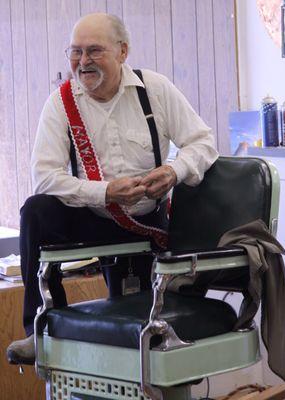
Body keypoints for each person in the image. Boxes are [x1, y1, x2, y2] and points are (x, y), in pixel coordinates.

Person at [7, 12, 218, 365]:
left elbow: (203, 143)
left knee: (138, 349)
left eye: (93, 51)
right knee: (35, 210)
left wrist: (173, 171)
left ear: (123, 52)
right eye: (75, 52)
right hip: (90, 216)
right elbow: (45, 176)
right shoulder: (61, 102)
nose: (83, 62)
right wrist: (104, 193)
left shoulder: (155, 90)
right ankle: (40, 330)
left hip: (150, 221)